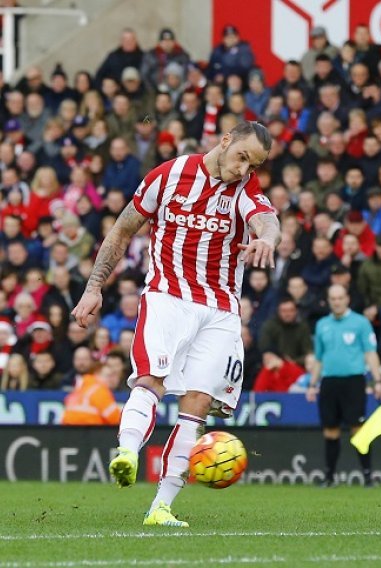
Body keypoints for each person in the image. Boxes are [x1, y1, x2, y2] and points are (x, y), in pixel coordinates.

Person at [71, 120, 280, 527]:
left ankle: (160, 508)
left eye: (253, 165)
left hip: (220, 310)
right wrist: (94, 287)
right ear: (225, 141)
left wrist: (267, 239)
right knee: (151, 380)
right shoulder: (167, 176)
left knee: (197, 405)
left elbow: (265, 220)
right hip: (167, 297)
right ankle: (128, 453)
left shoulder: (245, 190)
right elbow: (122, 230)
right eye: (241, 157)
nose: (244, 170)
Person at [305, 284, 381, 488]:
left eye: (340, 298)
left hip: (354, 381)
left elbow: (370, 352)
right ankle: (329, 477)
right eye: (333, 298)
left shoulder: (361, 322)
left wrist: (378, 381)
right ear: (329, 301)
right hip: (329, 382)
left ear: (347, 299)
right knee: (330, 431)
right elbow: (319, 358)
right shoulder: (322, 324)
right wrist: (312, 384)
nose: (337, 302)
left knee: (358, 429)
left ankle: (367, 476)